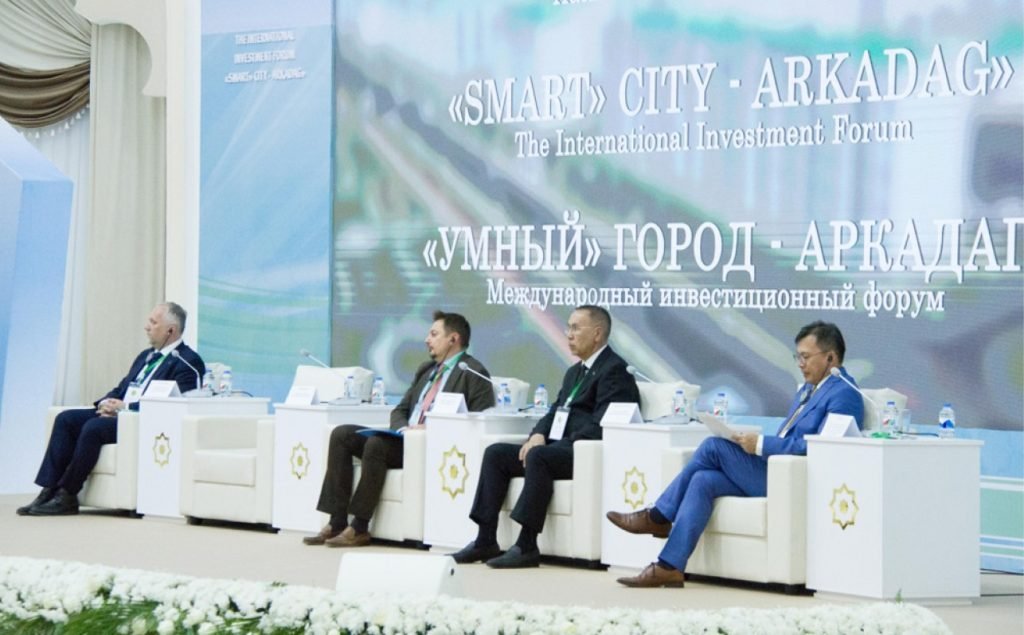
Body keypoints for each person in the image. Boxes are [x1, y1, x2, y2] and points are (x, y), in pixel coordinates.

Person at [607, 320, 864, 587]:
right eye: (797, 356)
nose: (799, 363)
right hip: (773, 469)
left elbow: (821, 448)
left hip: (791, 479)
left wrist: (761, 444)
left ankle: (657, 517)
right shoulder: (811, 390)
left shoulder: (844, 394)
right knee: (703, 480)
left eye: (806, 357)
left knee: (712, 447)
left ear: (831, 357)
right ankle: (669, 566)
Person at [451, 305, 640, 569]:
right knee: (496, 453)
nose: (568, 334)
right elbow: (555, 411)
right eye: (568, 327)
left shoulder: (615, 370)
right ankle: (485, 539)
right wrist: (538, 434)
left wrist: (558, 443)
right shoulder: (575, 371)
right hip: (555, 448)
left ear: (597, 334)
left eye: (576, 328)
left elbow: (605, 424)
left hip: (584, 451)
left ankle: (527, 545)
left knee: (540, 456)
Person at [303, 310, 495, 548]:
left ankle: (360, 527)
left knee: (376, 444)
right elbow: (400, 410)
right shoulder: (427, 370)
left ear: (453, 339)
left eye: (434, 334)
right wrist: (403, 429)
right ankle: (337, 522)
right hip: (403, 440)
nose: (427, 339)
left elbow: (480, 420)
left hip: (432, 447)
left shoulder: (473, 372)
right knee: (341, 434)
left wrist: (432, 428)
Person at [18, 302, 205, 517]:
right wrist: (106, 403)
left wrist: (126, 408)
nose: (147, 326)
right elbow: (123, 387)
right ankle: (48, 489)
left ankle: (67, 494)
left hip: (141, 422)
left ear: (170, 330)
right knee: (66, 419)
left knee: (94, 427)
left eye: (153, 322)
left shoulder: (187, 362)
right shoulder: (146, 356)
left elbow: (176, 406)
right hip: (118, 413)